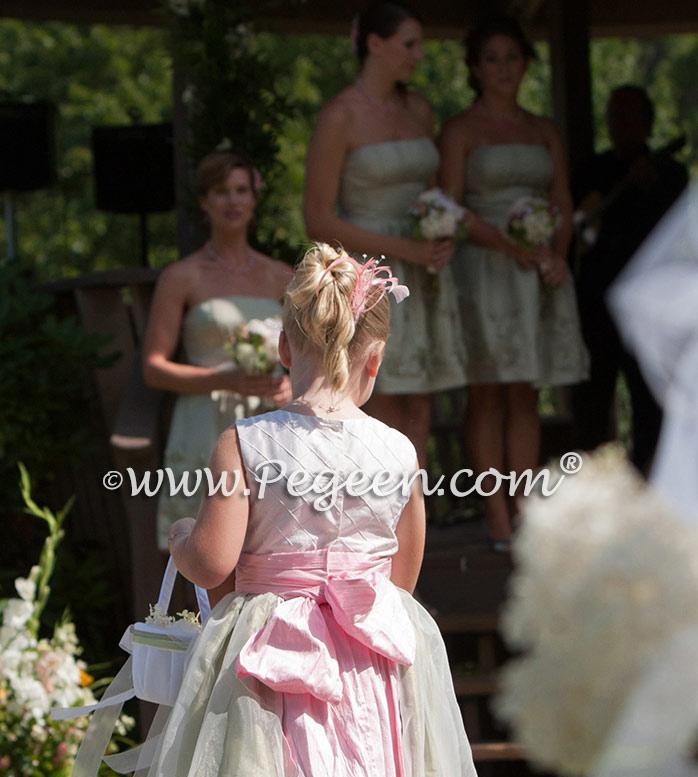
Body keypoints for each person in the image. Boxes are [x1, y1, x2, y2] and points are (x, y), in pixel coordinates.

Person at [128, 243, 507, 777]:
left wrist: (182, 537)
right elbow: (401, 575)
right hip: (370, 660)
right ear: (375, 362)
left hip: (270, 655)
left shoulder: (244, 443)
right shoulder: (399, 452)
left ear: (283, 347)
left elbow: (213, 562)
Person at [438, 13, 588, 551]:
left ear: (526, 63)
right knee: (487, 391)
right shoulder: (461, 130)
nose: (504, 68)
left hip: (537, 271)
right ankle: (495, 513)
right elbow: (450, 206)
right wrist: (513, 247)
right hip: (485, 270)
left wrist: (555, 256)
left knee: (526, 391)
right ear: (476, 68)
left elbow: (564, 202)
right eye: (492, 59)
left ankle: (526, 508)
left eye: (513, 58)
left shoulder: (542, 128)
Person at [303, 0, 467, 469]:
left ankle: (410, 515)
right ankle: (374, 515)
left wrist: (440, 228)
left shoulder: (419, 110)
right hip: (371, 276)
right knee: (380, 395)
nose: (419, 55)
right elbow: (317, 217)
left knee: (422, 401)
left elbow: (432, 190)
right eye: (409, 44)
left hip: (425, 269)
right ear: (374, 44)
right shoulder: (340, 116)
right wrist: (404, 249)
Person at [142, 150, 293, 550]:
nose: (233, 201)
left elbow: (314, 352)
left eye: (241, 190)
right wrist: (224, 379)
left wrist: (290, 386)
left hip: (271, 421)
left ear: (254, 199)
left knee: (275, 541)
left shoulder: (280, 275)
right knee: (205, 546)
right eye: (221, 191)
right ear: (204, 202)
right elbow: (153, 368)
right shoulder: (182, 276)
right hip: (204, 419)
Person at [571, 85, 688, 473]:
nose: (619, 124)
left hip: (649, 303)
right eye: (613, 115)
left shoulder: (670, 172)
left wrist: (649, 183)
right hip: (597, 302)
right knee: (592, 397)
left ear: (647, 122)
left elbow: (676, 233)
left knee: (649, 398)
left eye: (628, 115)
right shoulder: (592, 169)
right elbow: (578, 224)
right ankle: (592, 480)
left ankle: (650, 474)